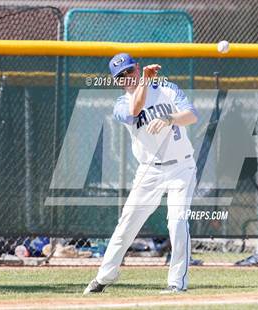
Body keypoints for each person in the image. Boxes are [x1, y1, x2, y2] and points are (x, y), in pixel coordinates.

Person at [83, 53, 198, 294]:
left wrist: (169, 118)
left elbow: (191, 116)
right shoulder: (120, 105)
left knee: (177, 223)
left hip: (181, 167)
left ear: (137, 67)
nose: (127, 78)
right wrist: (144, 81)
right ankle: (104, 277)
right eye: (121, 76)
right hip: (150, 170)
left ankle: (177, 283)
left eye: (129, 71)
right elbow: (135, 110)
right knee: (127, 224)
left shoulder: (167, 89)